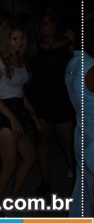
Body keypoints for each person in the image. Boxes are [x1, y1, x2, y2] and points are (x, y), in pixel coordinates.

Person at [0, 19, 40, 217]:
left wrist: (31, 109)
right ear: (6, 40)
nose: (20, 42)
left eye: (21, 38)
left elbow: (17, 90)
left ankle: (14, 196)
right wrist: (12, 117)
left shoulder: (18, 59)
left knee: (30, 157)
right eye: (15, 39)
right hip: (4, 113)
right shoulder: (0, 63)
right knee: (9, 165)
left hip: (17, 111)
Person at [27, 10, 76, 196]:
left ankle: (80, 180)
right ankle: (45, 182)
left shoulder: (67, 44)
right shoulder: (33, 47)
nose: (51, 25)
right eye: (46, 23)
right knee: (43, 141)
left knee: (68, 142)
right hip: (41, 99)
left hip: (62, 99)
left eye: (52, 22)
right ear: (39, 28)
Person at [66, 14, 94, 217]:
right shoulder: (90, 67)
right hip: (91, 136)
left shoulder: (75, 62)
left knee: (82, 193)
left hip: (82, 133)